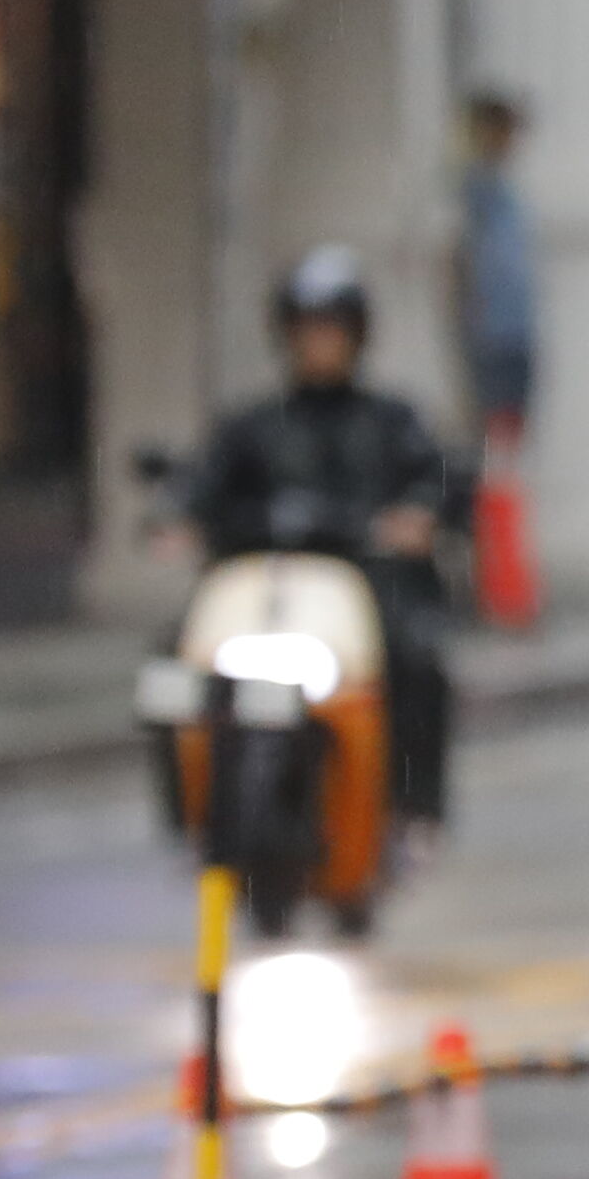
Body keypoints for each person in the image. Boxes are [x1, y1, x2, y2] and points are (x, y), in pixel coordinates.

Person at [185, 243, 470, 827]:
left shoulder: (392, 421)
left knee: (417, 660)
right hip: (270, 594)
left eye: (332, 330)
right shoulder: (254, 425)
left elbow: (440, 476)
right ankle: (192, 811)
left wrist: (422, 515)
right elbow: (204, 485)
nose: (320, 344)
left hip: (363, 595)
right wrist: (179, 518)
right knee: (173, 672)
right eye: (308, 330)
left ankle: (413, 809)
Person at [453, 93, 539, 454]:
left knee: (514, 426)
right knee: (489, 424)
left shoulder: (507, 187)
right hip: (488, 326)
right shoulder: (472, 187)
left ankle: (504, 498)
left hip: (516, 323)